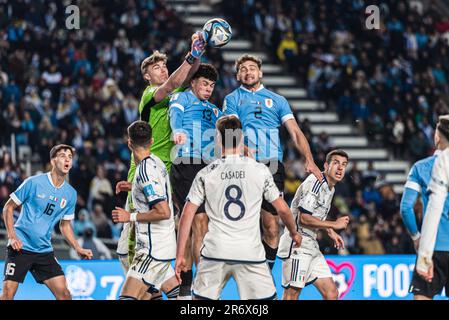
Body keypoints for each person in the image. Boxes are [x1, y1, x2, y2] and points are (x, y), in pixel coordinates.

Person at [115, 31, 205, 299]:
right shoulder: (150, 94)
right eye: (157, 67)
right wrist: (191, 55)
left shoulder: (177, 92)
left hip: (167, 174)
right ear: (146, 75)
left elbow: (188, 75)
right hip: (145, 174)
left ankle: (178, 290)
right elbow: (172, 83)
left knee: (177, 228)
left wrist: (197, 54)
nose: (163, 69)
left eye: (165, 65)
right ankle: (156, 290)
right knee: (131, 245)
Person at [175, 116, 301, 300]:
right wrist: (294, 233)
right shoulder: (260, 170)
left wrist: (180, 256)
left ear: (218, 139)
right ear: (241, 138)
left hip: (215, 252)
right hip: (250, 253)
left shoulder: (206, 173)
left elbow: (186, 215)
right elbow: (282, 209)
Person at [223, 54, 322, 270]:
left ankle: (265, 274)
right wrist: (242, 149)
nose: (248, 72)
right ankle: (242, 268)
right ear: (238, 75)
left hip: (272, 165)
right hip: (243, 165)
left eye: (252, 68)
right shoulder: (232, 99)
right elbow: (229, 131)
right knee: (244, 222)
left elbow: (295, 132)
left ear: (260, 72)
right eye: (243, 69)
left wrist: (310, 160)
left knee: (271, 226)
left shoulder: (278, 100)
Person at [1, 144, 93, 300]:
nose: (67, 160)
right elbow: (8, 208)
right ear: (53, 161)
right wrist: (12, 236)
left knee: (64, 294)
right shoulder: (34, 182)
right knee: (8, 293)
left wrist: (78, 248)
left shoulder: (70, 194)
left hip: (44, 250)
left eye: (70, 157)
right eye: (63, 156)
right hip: (21, 247)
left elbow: (64, 226)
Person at [168, 63, 222, 298]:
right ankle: (204, 289)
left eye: (211, 85)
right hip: (186, 162)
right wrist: (177, 131)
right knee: (200, 222)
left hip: (209, 168)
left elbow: (227, 131)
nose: (208, 89)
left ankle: (185, 290)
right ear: (193, 82)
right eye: (204, 84)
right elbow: (175, 115)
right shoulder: (182, 99)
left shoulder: (214, 110)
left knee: (191, 227)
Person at [112, 121, 179, 300]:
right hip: (163, 245)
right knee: (157, 294)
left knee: (128, 297)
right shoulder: (157, 163)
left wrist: (130, 216)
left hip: (152, 249)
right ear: (151, 141)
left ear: (129, 143)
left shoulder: (143, 172)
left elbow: (163, 211)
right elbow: (155, 189)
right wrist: (133, 186)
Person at [278, 149, 350, 300]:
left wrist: (330, 231)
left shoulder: (330, 188)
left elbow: (317, 214)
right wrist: (334, 224)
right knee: (292, 294)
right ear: (326, 165)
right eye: (336, 163)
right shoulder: (315, 183)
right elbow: (304, 218)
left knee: (331, 293)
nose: (340, 168)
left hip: (311, 244)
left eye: (344, 164)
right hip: (298, 243)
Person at [405, 115, 449, 299]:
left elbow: (406, 207)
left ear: (437, 137)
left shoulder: (421, 167)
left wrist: (416, 237)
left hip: (434, 246)